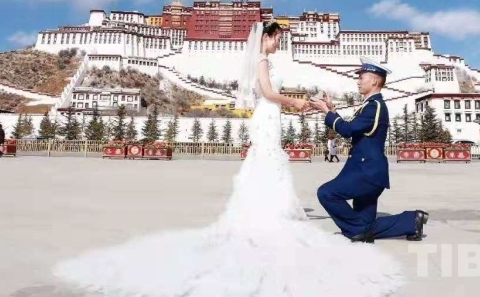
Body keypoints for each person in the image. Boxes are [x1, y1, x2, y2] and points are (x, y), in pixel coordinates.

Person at [53, 22, 406, 297]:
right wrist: (295, 102)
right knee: (273, 167)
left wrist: (312, 108)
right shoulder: (262, 61)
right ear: (266, 38)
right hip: (270, 115)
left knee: (270, 166)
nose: (279, 44)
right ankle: (270, 218)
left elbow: (342, 123)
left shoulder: (367, 102)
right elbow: (267, 92)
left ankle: (394, 223)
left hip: (276, 119)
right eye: (277, 38)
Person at [310, 57, 428, 243]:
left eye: (361, 77)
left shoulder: (375, 106)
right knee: (365, 225)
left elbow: (348, 130)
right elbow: (353, 127)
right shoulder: (370, 105)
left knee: (327, 193)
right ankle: (412, 221)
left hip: (366, 173)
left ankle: (359, 232)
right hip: (369, 171)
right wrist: (331, 110)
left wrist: (326, 112)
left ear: (374, 80)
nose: (358, 81)